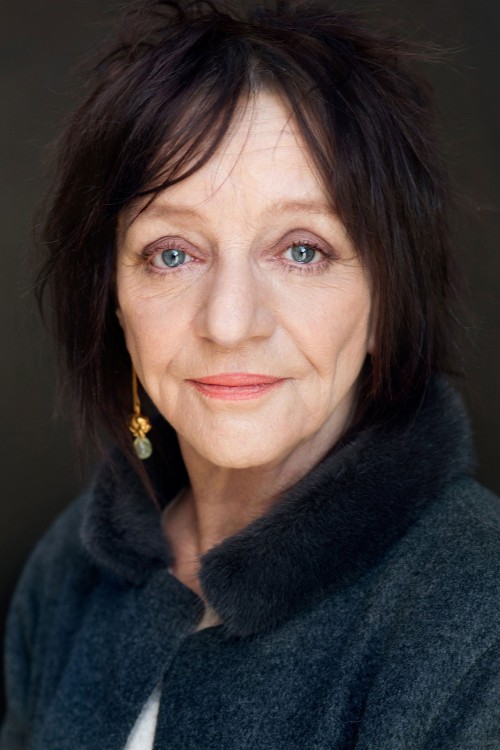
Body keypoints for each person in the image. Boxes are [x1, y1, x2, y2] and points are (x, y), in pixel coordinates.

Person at [2, 0, 499, 747]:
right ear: (114, 301)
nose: (230, 323)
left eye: (302, 250)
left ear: (387, 298)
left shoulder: (480, 620)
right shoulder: (68, 567)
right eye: (173, 254)